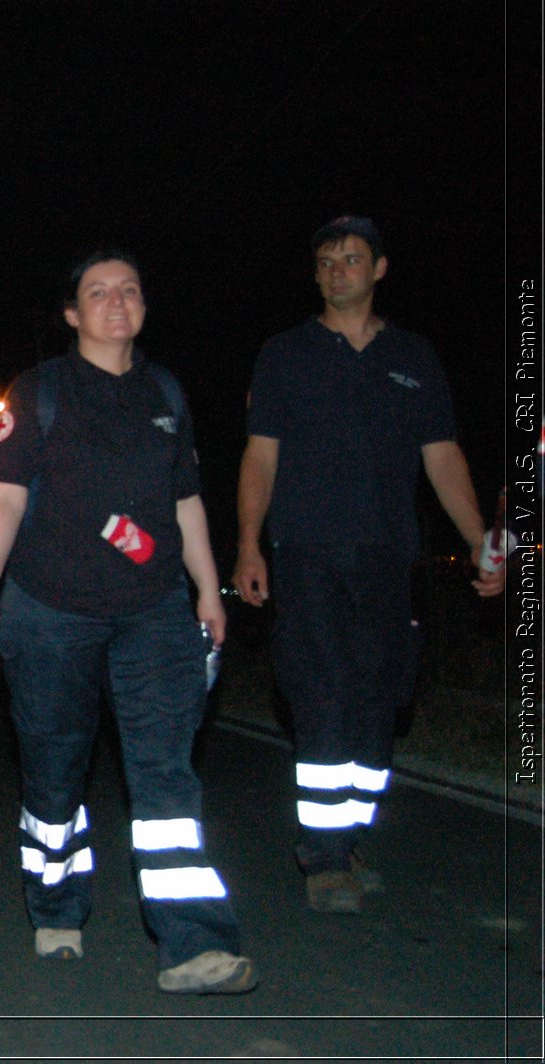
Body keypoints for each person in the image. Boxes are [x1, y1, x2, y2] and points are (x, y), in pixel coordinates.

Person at [0, 250, 255, 995]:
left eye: (129, 291)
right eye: (98, 292)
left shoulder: (166, 394)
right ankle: (56, 905)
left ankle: (193, 943)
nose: (116, 302)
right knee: (55, 776)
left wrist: (209, 590)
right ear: (72, 313)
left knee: (164, 778)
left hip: (153, 612)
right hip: (49, 610)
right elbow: (6, 497)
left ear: (145, 306)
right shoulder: (41, 393)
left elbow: (186, 501)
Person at [233, 216, 506, 914]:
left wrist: (479, 541)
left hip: (389, 556)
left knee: (380, 705)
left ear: (378, 269)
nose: (338, 271)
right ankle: (323, 859)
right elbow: (260, 455)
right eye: (326, 261)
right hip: (309, 554)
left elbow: (442, 457)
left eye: (352, 259)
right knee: (323, 698)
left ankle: (346, 835)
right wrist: (248, 542)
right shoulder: (285, 354)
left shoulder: (414, 357)